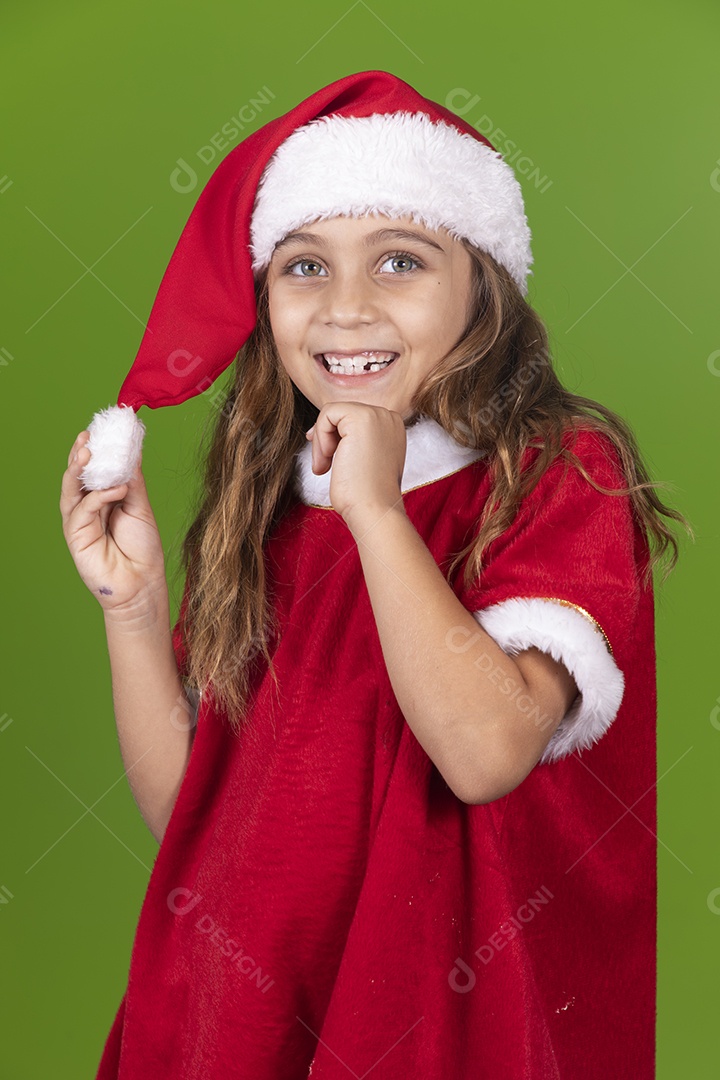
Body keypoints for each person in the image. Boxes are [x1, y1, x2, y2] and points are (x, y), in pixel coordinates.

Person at [59, 70, 691, 1078]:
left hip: (438, 1029)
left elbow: (484, 754)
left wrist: (377, 511)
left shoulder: (558, 477)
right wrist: (132, 609)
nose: (346, 308)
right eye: (304, 266)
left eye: (400, 260)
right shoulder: (269, 499)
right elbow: (195, 816)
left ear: (483, 286)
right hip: (233, 1023)